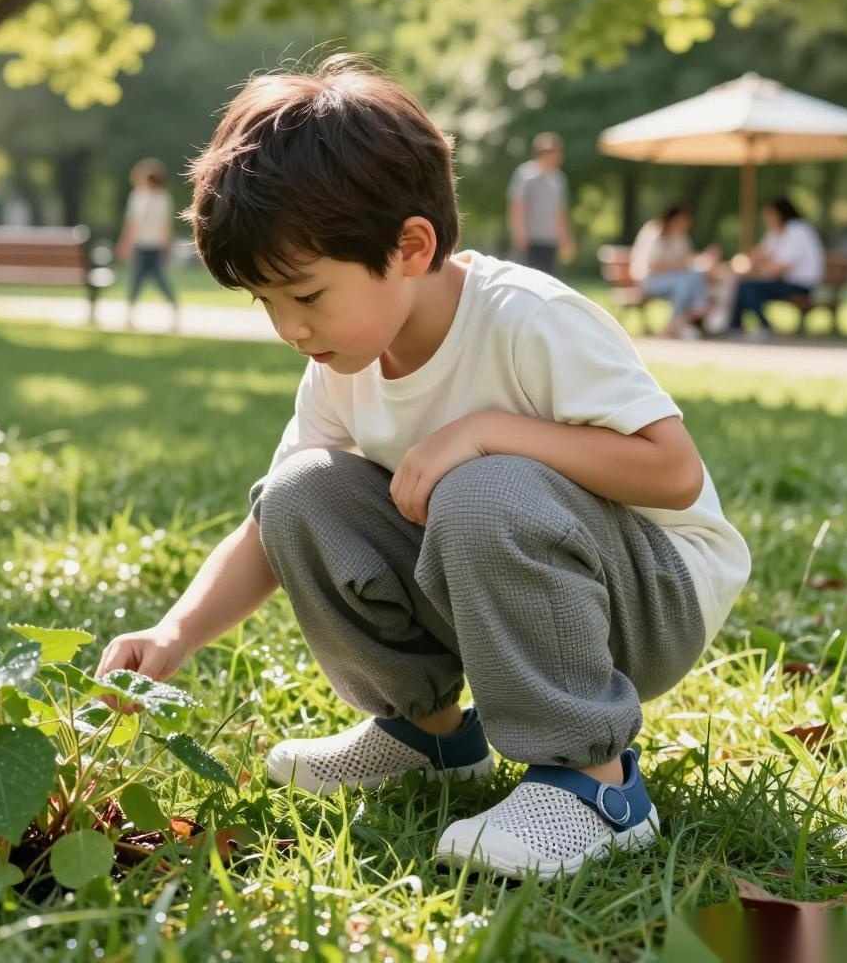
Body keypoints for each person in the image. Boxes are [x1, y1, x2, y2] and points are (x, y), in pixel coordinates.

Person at [95, 56, 750, 881]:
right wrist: (176, 631)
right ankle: (431, 739)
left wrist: (487, 432)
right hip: (501, 586)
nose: (288, 328)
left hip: (648, 602)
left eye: (305, 295)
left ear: (410, 246)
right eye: (266, 303)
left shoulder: (529, 321)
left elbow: (672, 472)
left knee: (482, 487)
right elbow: (270, 532)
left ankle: (597, 785)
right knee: (298, 495)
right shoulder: (342, 358)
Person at [721, 197, 825, 340]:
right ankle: (735, 327)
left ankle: (763, 326)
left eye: (769, 215)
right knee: (743, 284)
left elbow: (780, 267)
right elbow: (759, 255)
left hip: (800, 285)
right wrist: (740, 263)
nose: (767, 220)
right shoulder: (776, 232)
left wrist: (755, 268)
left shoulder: (797, 231)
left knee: (747, 287)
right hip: (784, 282)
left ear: (781, 214)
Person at [629, 204, 720, 339]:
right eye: (683, 220)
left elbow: (688, 260)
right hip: (649, 281)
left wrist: (704, 259)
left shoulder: (681, 237)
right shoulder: (654, 231)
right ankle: (687, 318)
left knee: (693, 278)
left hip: (675, 280)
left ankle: (688, 318)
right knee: (684, 282)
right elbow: (652, 266)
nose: (686, 224)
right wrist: (681, 266)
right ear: (673, 218)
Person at [116, 157, 179, 329]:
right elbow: (166, 227)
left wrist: (124, 244)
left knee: (138, 280)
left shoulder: (138, 197)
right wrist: (167, 247)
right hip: (153, 245)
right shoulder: (164, 198)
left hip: (144, 245)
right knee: (156, 280)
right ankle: (173, 309)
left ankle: (130, 316)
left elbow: (132, 225)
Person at [507, 132, 575, 274]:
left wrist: (565, 238)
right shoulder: (525, 175)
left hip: (550, 240)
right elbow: (517, 206)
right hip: (531, 240)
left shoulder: (559, 179)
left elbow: (560, 211)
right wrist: (519, 234)